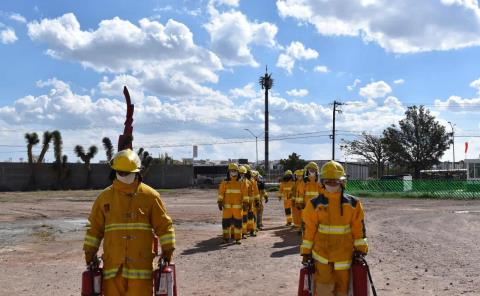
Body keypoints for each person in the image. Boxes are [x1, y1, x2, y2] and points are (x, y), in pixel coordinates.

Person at [83, 149, 175, 296]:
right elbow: (94, 230)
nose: (124, 176)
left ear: (137, 172)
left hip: (140, 271)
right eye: (121, 172)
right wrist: (89, 253)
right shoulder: (104, 198)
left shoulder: (150, 197)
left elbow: (164, 227)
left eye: (128, 173)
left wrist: (167, 251)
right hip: (113, 271)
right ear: (115, 172)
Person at [300, 160, 368, 296]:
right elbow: (309, 230)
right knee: (324, 289)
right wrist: (306, 252)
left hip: (344, 257)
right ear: (322, 182)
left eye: (335, 181)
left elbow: (358, 230)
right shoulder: (313, 204)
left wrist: (361, 250)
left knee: (342, 290)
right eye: (328, 181)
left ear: (342, 182)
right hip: (322, 257)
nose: (332, 184)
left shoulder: (354, 204)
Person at [217, 163, 249, 244]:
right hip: (227, 208)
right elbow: (221, 193)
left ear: (237, 171)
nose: (233, 172)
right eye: (231, 171)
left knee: (238, 223)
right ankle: (225, 238)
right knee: (226, 224)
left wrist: (245, 203)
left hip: (237, 208)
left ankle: (238, 238)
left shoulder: (241, 182)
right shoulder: (225, 182)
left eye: (234, 171)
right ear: (229, 171)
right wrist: (220, 201)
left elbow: (245, 194)